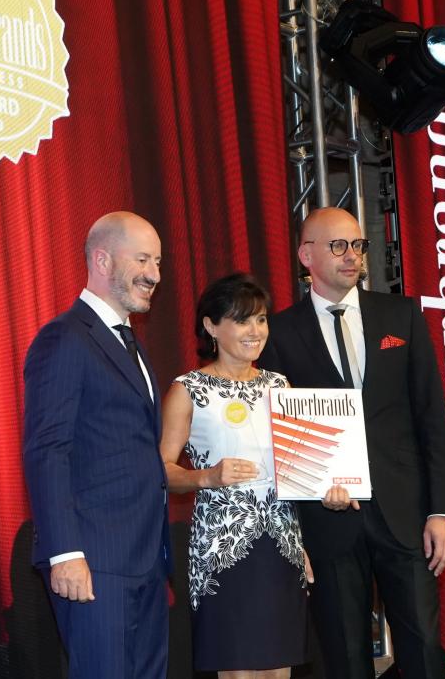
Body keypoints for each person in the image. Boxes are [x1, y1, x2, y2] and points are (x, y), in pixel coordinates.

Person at [257, 207, 445, 679]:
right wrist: (311, 486)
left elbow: (431, 418)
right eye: (338, 246)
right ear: (306, 255)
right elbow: (275, 433)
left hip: (405, 514)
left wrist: (440, 512)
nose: (353, 256)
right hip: (326, 521)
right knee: (345, 657)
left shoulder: (401, 315)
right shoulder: (277, 332)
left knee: (425, 650)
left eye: (359, 245)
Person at [22, 211, 171, 679]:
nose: (154, 274)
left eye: (158, 262)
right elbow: (47, 450)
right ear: (102, 260)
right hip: (94, 560)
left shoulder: (130, 343)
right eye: (142, 260)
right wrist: (65, 553)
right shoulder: (65, 338)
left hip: (144, 559)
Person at [160, 273, 308, 677]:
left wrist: (333, 486)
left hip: (282, 544)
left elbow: (299, 468)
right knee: (239, 669)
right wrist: (206, 477)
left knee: (279, 669)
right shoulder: (188, 389)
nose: (255, 331)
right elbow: (161, 471)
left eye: (261, 319)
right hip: (223, 545)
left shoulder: (280, 386)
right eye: (242, 320)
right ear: (211, 326)